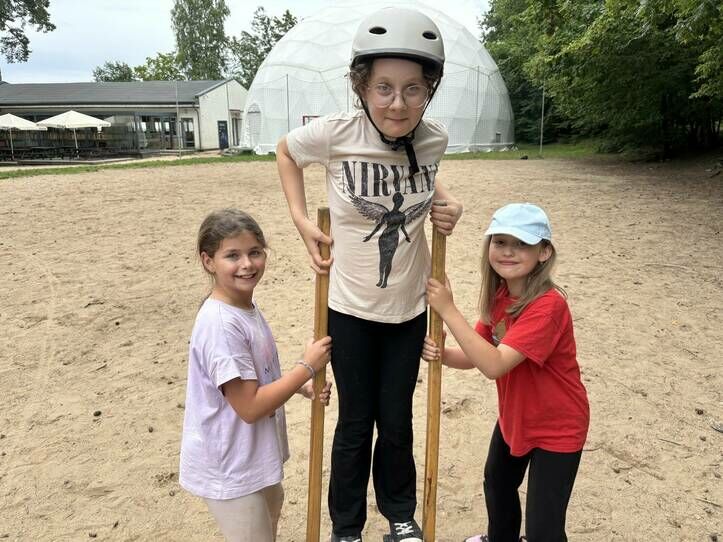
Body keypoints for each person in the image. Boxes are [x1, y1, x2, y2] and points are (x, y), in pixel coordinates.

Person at [276, 8, 463, 542]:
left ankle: (400, 514)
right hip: (350, 309)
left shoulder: (434, 139)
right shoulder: (336, 133)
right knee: (356, 422)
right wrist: (300, 220)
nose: (397, 103)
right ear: (361, 86)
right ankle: (347, 527)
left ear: (429, 90)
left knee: (397, 420)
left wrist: (449, 203)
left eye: (412, 89)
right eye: (384, 87)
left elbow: (425, 175)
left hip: (409, 310)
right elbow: (285, 152)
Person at [422, 203, 589, 542]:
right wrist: (444, 355)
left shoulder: (548, 306)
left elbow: (494, 364)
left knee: (543, 529)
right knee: (498, 484)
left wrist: (448, 309)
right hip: (516, 416)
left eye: (522, 244)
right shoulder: (501, 296)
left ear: (544, 252)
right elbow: (476, 355)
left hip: (557, 426)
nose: (508, 251)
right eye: (500, 242)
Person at [179, 209, 333, 542]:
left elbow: (255, 379)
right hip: (232, 466)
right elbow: (249, 407)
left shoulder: (243, 307)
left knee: (269, 520)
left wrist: (301, 386)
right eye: (232, 255)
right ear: (208, 261)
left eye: (255, 252)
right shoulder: (221, 325)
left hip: (253, 458)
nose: (247, 264)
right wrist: (305, 367)